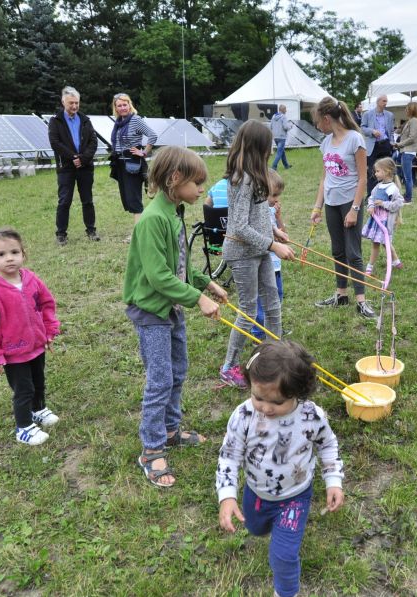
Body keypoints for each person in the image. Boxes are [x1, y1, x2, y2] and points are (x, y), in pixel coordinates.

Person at [123, 146, 228, 488]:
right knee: (160, 379)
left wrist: (206, 282)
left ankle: (170, 430)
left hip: (171, 306)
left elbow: (178, 264)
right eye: (197, 183)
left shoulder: (174, 212)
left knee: (177, 371)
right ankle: (151, 450)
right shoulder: (153, 219)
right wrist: (197, 299)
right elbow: (158, 276)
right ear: (174, 179)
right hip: (152, 310)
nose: (202, 190)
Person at [216, 340, 344, 597]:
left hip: (295, 497)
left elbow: (327, 445)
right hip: (257, 493)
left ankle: (286, 592)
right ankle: (269, 526)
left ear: (298, 393)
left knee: (284, 555)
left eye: (276, 402)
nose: (264, 407)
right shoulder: (243, 416)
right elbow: (229, 457)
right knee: (256, 529)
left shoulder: (311, 417)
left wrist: (333, 481)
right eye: (257, 397)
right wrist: (227, 495)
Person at [219, 122, 297, 389]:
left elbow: (259, 213)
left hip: (261, 249)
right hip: (242, 254)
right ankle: (229, 366)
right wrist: (273, 246)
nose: (272, 147)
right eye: (269, 143)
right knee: (249, 310)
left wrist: (275, 232)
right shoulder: (243, 178)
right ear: (259, 146)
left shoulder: (259, 175)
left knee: (273, 304)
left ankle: (275, 357)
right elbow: (239, 225)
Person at [0, 228, 60, 446]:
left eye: (14, 252)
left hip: (37, 346)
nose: (9, 258)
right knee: (23, 390)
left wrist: (49, 331)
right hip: (13, 353)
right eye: (1, 255)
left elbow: (46, 304)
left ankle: (38, 409)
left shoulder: (31, 279)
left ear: (24, 253)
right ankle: (23, 427)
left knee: (39, 382)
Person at [311, 97, 376, 319]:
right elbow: (324, 178)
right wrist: (317, 207)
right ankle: (341, 295)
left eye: (319, 121)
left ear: (327, 119)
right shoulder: (326, 142)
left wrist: (355, 209)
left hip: (350, 202)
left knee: (353, 252)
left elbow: (363, 178)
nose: (318, 126)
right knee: (337, 251)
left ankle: (361, 301)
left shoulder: (355, 139)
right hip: (331, 203)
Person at [48, 86, 100, 246]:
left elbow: (93, 141)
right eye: (71, 103)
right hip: (66, 168)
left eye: (77, 103)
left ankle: (91, 230)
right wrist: (73, 157)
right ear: (63, 102)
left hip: (85, 166)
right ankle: (61, 234)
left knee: (88, 200)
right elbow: (55, 143)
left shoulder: (85, 120)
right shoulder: (55, 121)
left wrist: (83, 159)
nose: (74, 106)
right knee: (64, 201)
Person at [109, 93, 157, 235]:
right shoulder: (118, 122)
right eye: (119, 105)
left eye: (125, 104)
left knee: (134, 199)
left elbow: (153, 135)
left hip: (132, 164)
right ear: (115, 108)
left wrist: (144, 152)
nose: (123, 108)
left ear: (130, 105)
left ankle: (137, 234)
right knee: (128, 198)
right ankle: (139, 230)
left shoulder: (135, 120)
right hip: (120, 164)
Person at [252, 170, 287, 339]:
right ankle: (259, 332)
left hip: (276, 264)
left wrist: (279, 217)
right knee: (262, 300)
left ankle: (273, 327)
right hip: (264, 263)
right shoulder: (257, 213)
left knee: (277, 296)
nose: (276, 199)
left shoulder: (272, 211)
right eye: (273, 195)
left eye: (278, 195)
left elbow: (282, 234)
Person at [362, 157, 404, 275]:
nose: (375, 173)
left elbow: (399, 203)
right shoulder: (378, 186)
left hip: (385, 221)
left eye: (377, 171)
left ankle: (371, 266)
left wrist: (383, 204)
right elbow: (371, 197)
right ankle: (394, 261)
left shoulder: (392, 188)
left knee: (385, 243)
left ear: (386, 171)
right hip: (376, 220)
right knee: (378, 243)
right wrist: (370, 206)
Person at [361, 95, 394, 194]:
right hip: (373, 145)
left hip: (385, 144)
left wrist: (391, 142)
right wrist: (372, 131)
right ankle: (371, 195)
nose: (385, 103)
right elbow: (363, 128)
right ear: (378, 102)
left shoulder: (390, 115)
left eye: (386, 101)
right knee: (372, 170)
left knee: (387, 169)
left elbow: (391, 131)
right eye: (384, 101)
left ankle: (386, 192)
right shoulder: (367, 114)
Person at [396, 101, 417, 202]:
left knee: (407, 177)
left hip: (408, 151)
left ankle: (408, 198)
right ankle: (407, 195)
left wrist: (399, 144)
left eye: (407, 108)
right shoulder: (411, 120)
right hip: (406, 151)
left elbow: (412, 137)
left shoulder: (414, 120)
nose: (405, 110)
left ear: (411, 109)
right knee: (406, 176)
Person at [270, 104, 295, 170]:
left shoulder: (273, 116)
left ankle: (286, 165)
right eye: (285, 109)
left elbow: (271, 126)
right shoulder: (283, 117)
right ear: (283, 110)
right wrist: (291, 126)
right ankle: (274, 166)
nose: (286, 111)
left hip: (275, 137)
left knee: (282, 152)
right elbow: (285, 127)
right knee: (279, 153)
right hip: (282, 137)